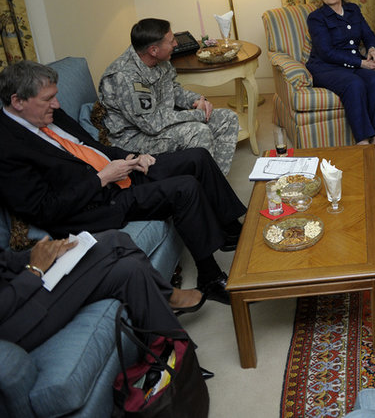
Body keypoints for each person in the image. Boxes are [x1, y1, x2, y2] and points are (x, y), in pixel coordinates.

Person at [0, 61, 247, 305]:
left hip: (115, 172)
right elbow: (44, 209)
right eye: (48, 99)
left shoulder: (49, 114)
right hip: (96, 202)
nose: (57, 104)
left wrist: (130, 157)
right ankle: (210, 278)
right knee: (184, 188)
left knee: (198, 157)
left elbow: (93, 146)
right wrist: (103, 178)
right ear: (18, 101)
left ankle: (231, 232)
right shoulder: (7, 148)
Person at [0, 230, 205, 352]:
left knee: (129, 270)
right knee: (114, 241)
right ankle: (168, 297)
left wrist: (48, 253)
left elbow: (4, 261)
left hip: (22, 286)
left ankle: (175, 358)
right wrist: (34, 271)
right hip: (15, 323)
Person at [99, 18, 239, 175]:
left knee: (228, 118)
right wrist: (197, 114)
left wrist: (198, 101)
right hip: (134, 138)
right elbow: (152, 124)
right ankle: (206, 190)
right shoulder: (125, 77)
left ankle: (217, 182)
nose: (176, 44)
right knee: (198, 131)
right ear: (153, 50)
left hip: (161, 122)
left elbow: (173, 89)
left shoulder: (159, 59)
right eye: (171, 41)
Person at [306, 0, 375, 165]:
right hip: (325, 67)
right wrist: (361, 63)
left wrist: (372, 48)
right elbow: (326, 52)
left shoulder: (353, 10)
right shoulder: (316, 18)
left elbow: (368, 34)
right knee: (354, 84)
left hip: (353, 63)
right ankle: (362, 143)